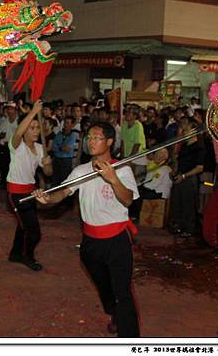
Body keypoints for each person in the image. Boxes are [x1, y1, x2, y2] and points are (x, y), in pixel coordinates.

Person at [33, 121, 141, 337]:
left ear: (109, 141)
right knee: (104, 287)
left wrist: (113, 179)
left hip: (117, 240)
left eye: (97, 137)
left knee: (123, 293)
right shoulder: (81, 170)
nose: (91, 142)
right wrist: (47, 198)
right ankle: (114, 313)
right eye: (89, 137)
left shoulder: (122, 169)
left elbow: (129, 200)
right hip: (91, 242)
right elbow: (62, 192)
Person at [6, 100, 53, 271]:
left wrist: (47, 164)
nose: (35, 131)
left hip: (31, 193)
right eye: (31, 128)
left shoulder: (40, 148)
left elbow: (48, 173)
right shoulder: (17, 146)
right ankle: (28, 256)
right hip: (16, 193)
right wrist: (33, 112)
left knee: (23, 226)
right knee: (33, 231)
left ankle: (15, 253)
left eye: (37, 128)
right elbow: (18, 132)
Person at [168, 117, 205, 237]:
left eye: (186, 129)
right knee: (177, 203)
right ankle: (178, 225)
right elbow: (177, 159)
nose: (184, 131)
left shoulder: (199, 147)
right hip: (180, 175)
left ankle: (188, 228)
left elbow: (200, 167)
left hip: (189, 178)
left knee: (188, 204)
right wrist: (175, 171)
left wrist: (184, 176)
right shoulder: (184, 146)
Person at [129, 149, 172, 222]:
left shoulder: (165, 168)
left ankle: (135, 216)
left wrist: (141, 187)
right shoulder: (156, 165)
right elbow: (148, 181)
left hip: (160, 192)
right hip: (153, 188)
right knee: (134, 191)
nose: (154, 156)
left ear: (162, 157)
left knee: (138, 195)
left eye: (156, 155)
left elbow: (154, 184)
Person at [51, 116, 78, 186]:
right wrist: (61, 148)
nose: (66, 125)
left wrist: (58, 148)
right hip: (56, 159)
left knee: (64, 181)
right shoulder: (59, 134)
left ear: (72, 125)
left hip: (66, 161)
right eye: (65, 123)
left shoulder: (73, 135)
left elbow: (67, 149)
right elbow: (53, 147)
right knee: (55, 180)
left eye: (68, 123)